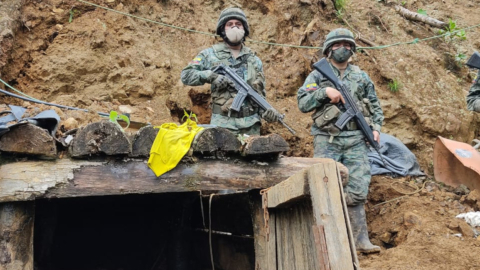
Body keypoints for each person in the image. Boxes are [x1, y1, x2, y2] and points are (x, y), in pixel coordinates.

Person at [297, 28, 384, 253]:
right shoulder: (318, 75)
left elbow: (375, 106)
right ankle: (326, 241)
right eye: (337, 45)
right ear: (328, 48)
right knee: (322, 186)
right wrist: (324, 92)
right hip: (327, 138)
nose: (342, 49)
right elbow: (302, 103)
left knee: (357, 188)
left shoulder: (360, 76)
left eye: (347, 45)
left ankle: (359, 240)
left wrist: (375, 129)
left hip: (356, 139)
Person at [181, 7, 280, 135]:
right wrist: (210, 76)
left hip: (251, 127)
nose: (235, 27)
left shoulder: (254, 60)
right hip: (222, 125)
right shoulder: (210, 54)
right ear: (222, 29)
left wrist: (267, 113)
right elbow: (186, 75)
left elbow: (259, 95)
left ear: (244, 29)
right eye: (230, 24)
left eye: (238, 24)